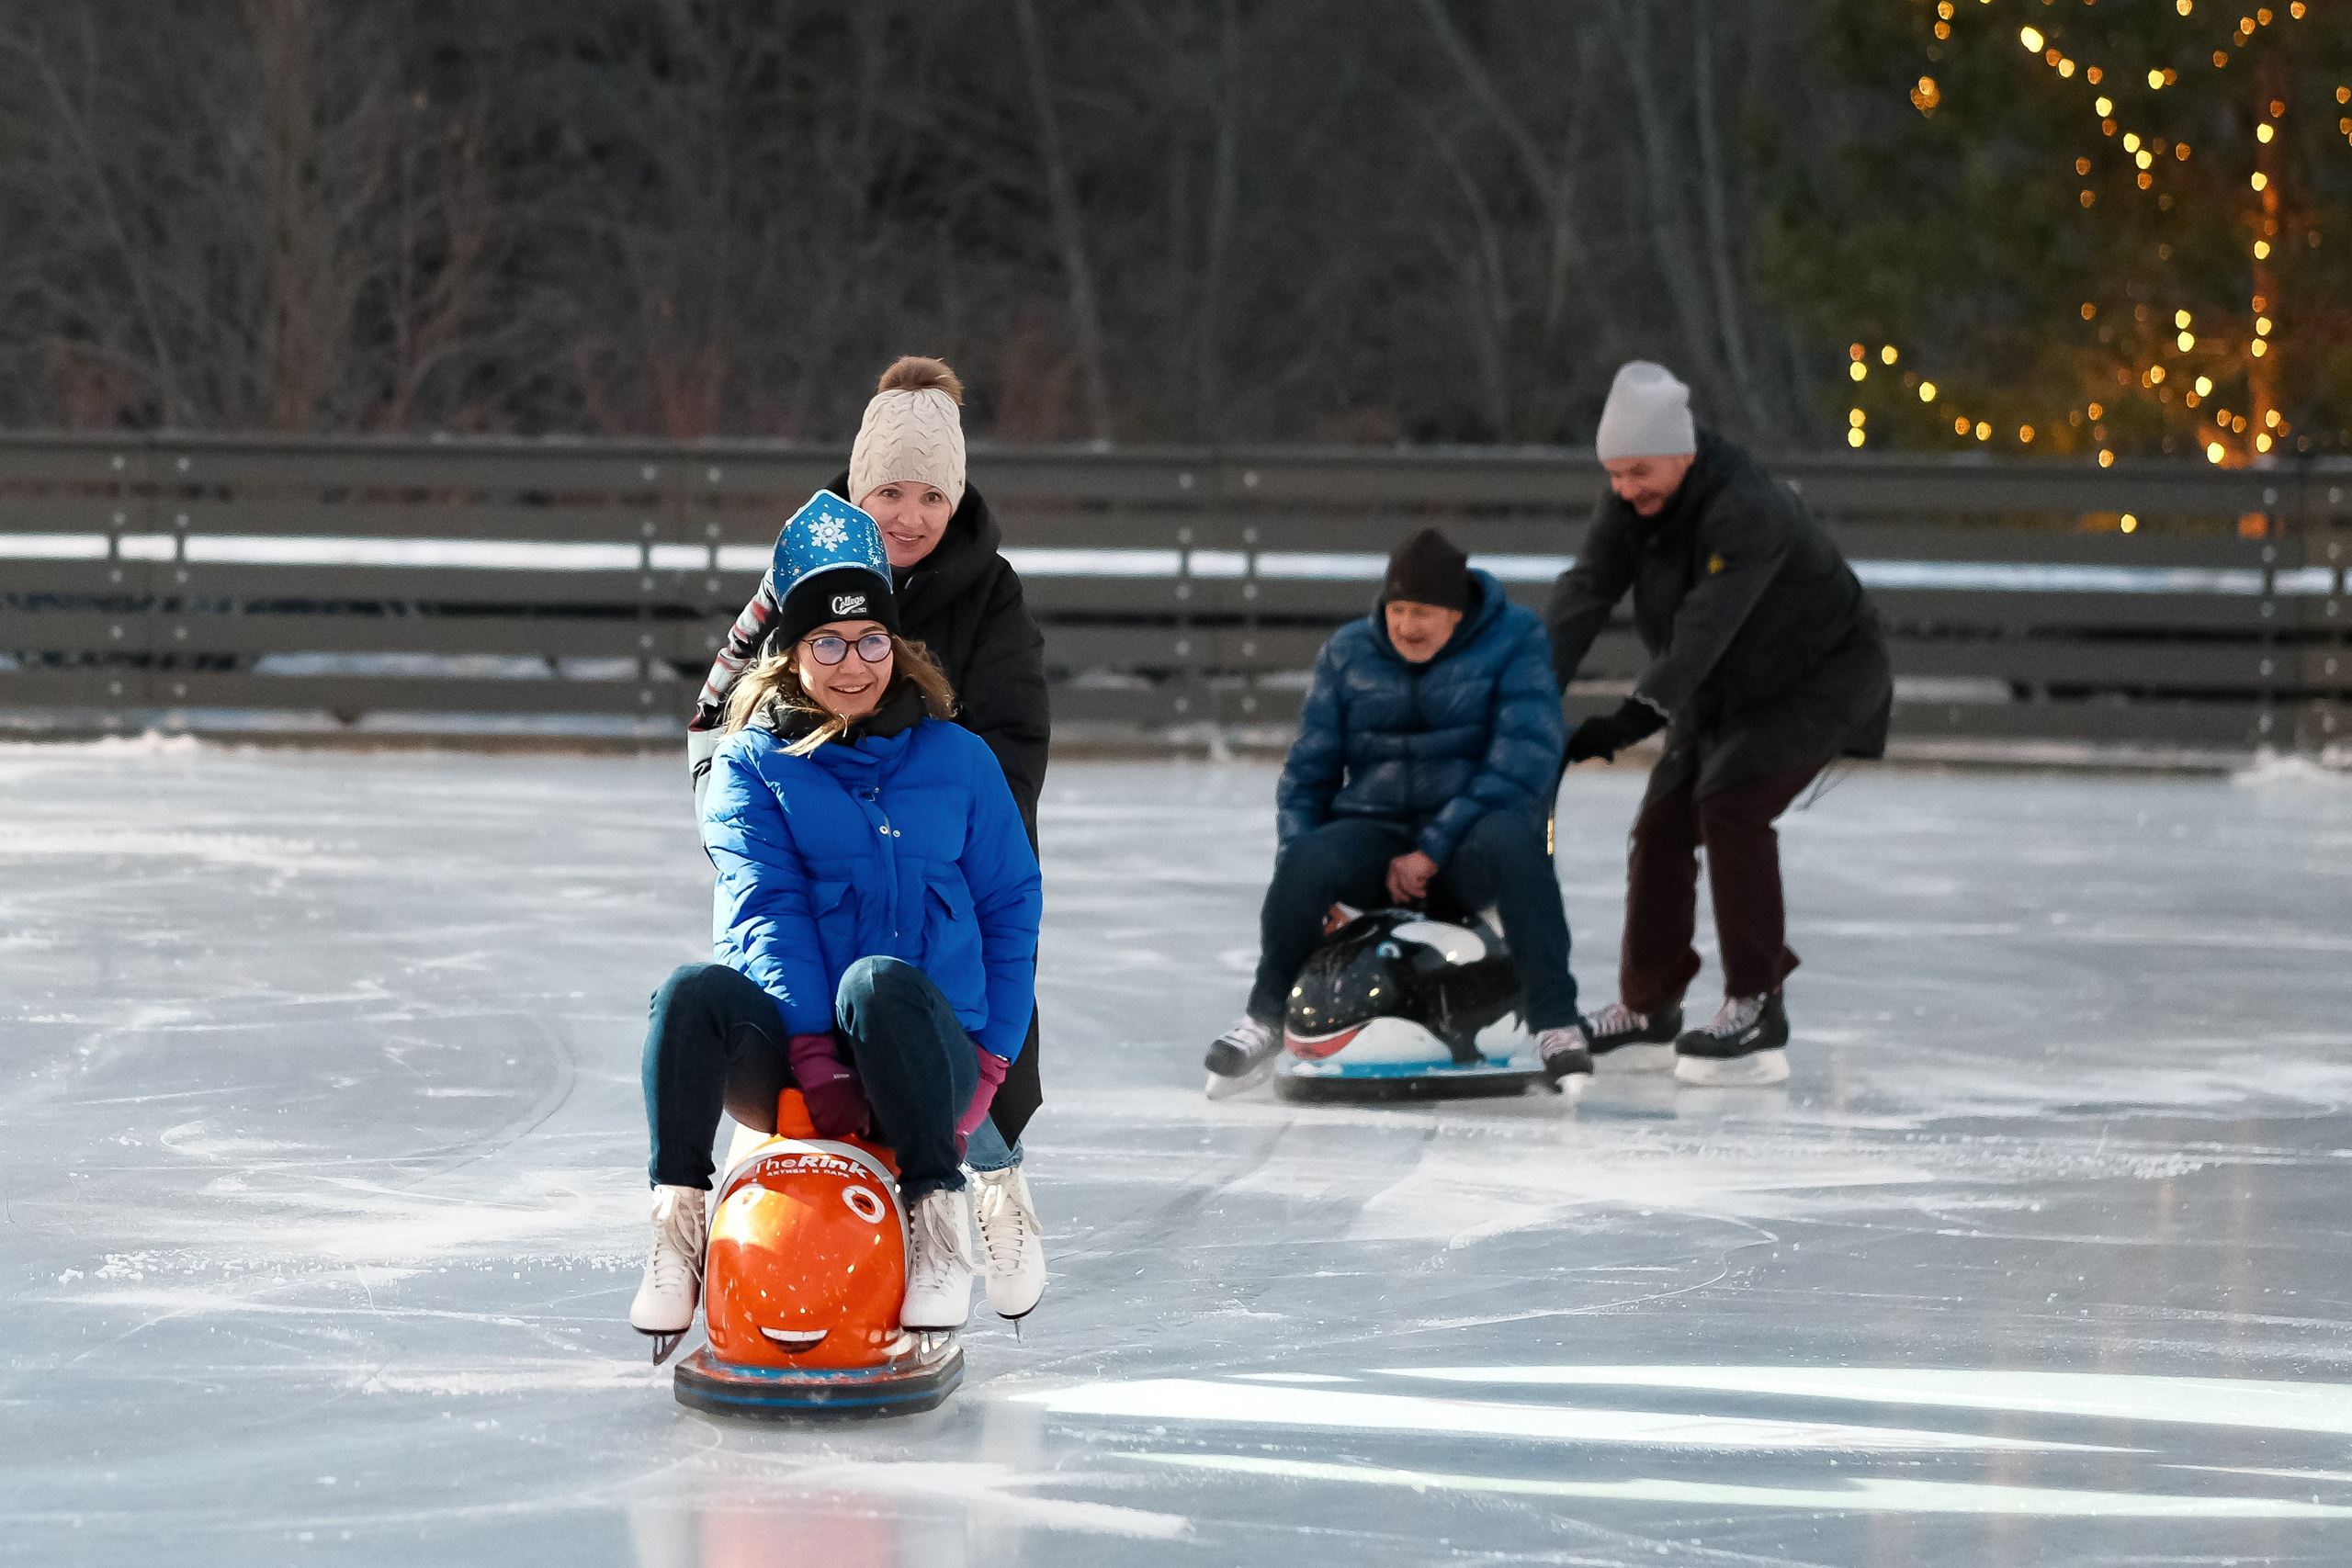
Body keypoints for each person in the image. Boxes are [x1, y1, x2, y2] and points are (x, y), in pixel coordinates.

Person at [686, 356, 1051, 1319]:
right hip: (821, 848)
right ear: (858, 489)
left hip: (950, 853)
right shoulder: (803, 571)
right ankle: (771, 1192)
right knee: (787, 990)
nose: (909, 514)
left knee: (967, 1025)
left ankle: (992, 1183)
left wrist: (950, 819)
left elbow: (1016, 731)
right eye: (889, 491)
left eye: (932, 494)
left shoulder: (988, 593)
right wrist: (737, 810)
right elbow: (727, 701)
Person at [1544, 361, 1892, 1086]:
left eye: (1638, 471)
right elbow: (1584, 592)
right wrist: (1531, 692)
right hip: (1725, 682)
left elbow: (1705, 627)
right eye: (1614, 473)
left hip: (1818, 676)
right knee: (1664, 822)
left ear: (1683, 451)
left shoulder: (1746, 506)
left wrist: (1635, 715)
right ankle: (1648, 1008)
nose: (1624, 488)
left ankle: (1758, 1006)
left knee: (1730, 802)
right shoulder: (1630, 503)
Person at [1204, 527, 1592, 1093]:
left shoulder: (1514, 640)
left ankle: (1557, 1022)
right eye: (1398, 610)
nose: (1408, 626)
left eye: (1424, 613)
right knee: (1307, 860)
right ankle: (1264, 1018)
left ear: (1457, 614)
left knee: (1518, 844)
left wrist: (1434, 847)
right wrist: (1307, 870)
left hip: (1468, 842)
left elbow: (1522, 762)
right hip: (1376, 833)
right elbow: (1308, 774)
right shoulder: (1349, 653)